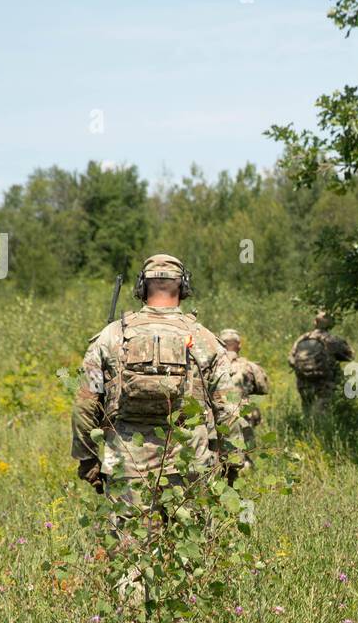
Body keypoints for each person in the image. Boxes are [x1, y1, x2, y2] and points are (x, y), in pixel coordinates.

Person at [71, 253, 245, 600]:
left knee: (130, 555)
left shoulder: (111, 336)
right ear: (184, 287)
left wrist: (89, 459)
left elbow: (85, 402)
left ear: (140, 288)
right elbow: (229, 405)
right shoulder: (204, 338)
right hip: (190, 462)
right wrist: (232, 459)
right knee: (189, 552)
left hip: (127, 463)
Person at [287, 310, 353, 415]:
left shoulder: (302, 339)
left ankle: (307, 428)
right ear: (330, 325)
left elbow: (290, 360)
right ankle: (323, 429)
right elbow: (350, 356)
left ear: (315, 322)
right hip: (324, 383)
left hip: (304, 383)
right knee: (325, 412)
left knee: (307, 411)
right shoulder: (331, 339)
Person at [218, 328, 268, 456]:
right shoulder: (249, 366)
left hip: (217, 414)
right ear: (239, 346)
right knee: (245, 451)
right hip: (242, 415)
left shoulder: (211, 365)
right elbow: (263, 388)